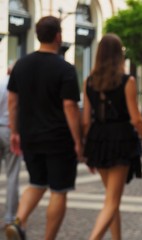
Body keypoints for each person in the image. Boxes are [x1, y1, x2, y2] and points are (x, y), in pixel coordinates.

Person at [5, 16, 83, 240]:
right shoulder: (66, 69)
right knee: (59, 190)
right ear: (58, 36)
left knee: (36, 183)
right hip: (59, 139)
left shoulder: (21, 65)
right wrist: (78, 141)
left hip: (30, 136)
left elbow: (13, 102)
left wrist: (15, 132)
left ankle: (17, 222)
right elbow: (70, 106)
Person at [82, 33, 142, 240]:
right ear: (120, 55)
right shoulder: (127, 81)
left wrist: (86, 149)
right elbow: (137, 120)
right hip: (120, 139)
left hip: (97, 139)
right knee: (112, 201)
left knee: (111, 199)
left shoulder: (89, 81)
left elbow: (85, 120)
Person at [0, 63, 22, 228]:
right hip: (11, 130)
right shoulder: (19, 88)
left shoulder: (1, 84)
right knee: (12, 175)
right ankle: (10, 216)